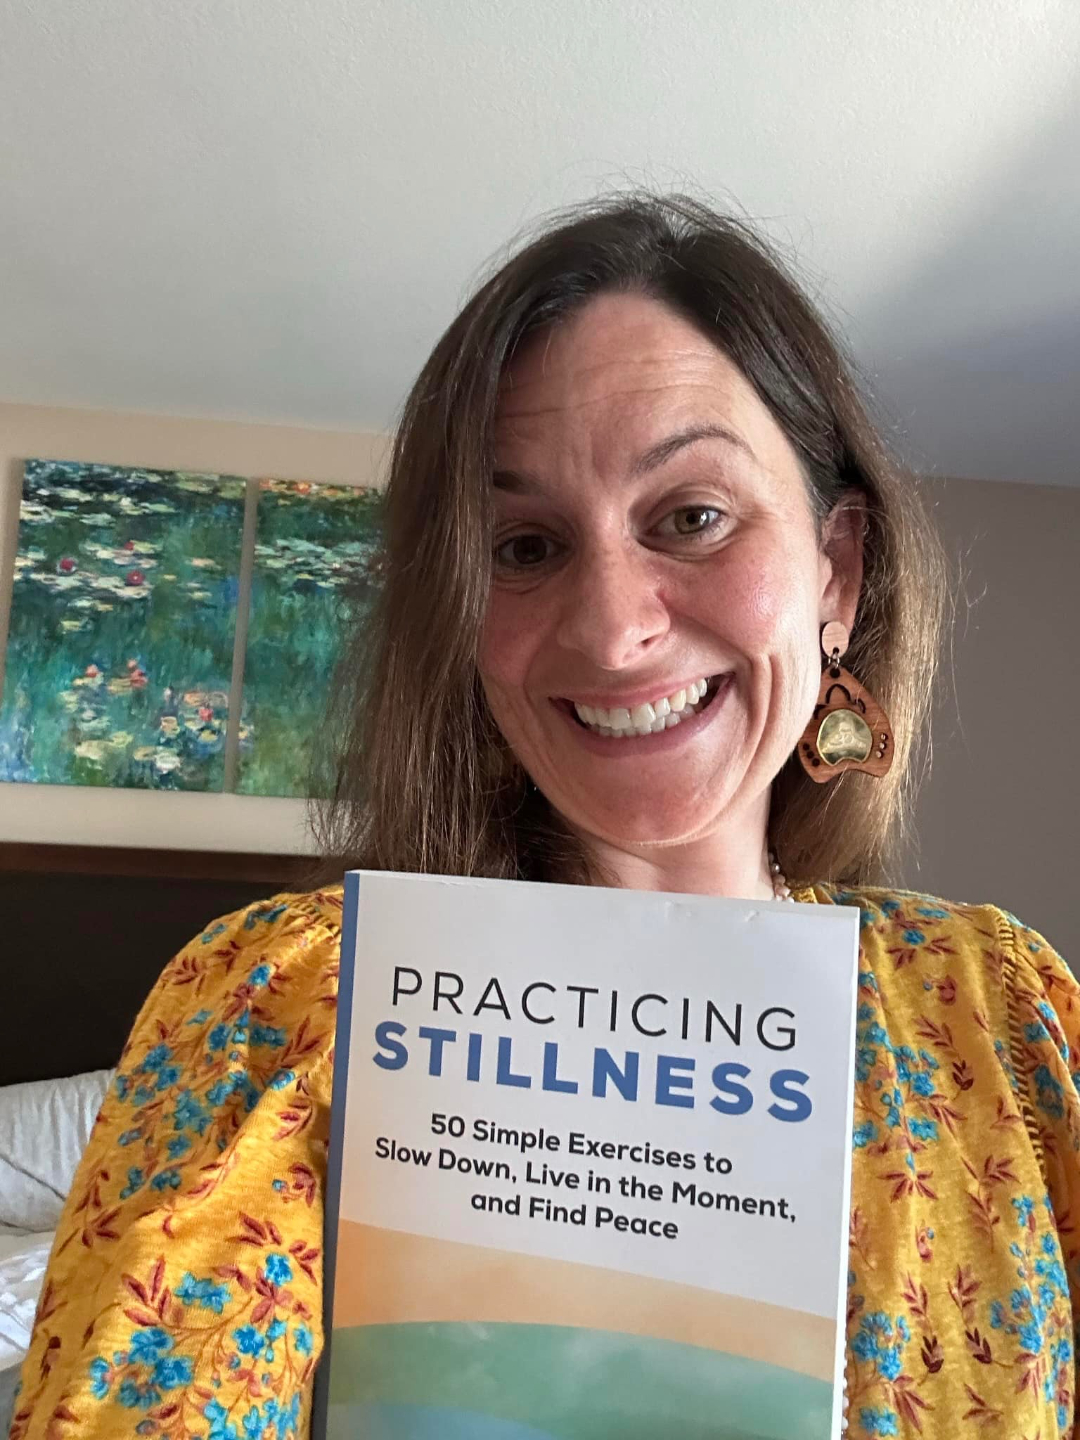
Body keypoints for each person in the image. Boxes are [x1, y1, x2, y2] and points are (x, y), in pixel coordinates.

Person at [11, 194, 1078, 1440]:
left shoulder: (1000, 1019)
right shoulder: (281, 1008)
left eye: (692, 517)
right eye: (523, 545)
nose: (612, 628)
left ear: (835, 570)